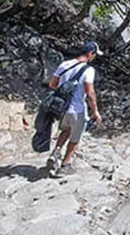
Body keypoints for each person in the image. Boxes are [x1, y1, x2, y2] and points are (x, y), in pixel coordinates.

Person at [46, 41, 103, 176]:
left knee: (65, 130)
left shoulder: (65, 64)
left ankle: (56, 151)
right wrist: (95, 111)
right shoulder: (88, 70)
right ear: (90, 54)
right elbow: (90, 93)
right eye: (94, 54)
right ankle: (65, 164)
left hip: (62, 107)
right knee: (75, 138)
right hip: (77, 109)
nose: (94, 57)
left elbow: (53, 84)